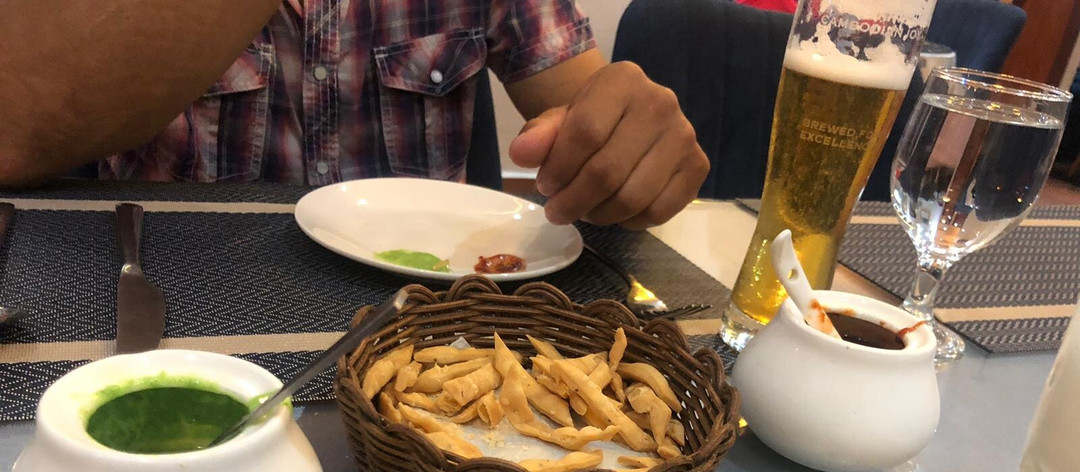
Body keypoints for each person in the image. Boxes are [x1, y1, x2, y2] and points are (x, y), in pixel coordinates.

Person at [0, 1, 709, 230]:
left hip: (421, 335)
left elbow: (587, 117)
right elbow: (16, 135)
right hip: (168, 318)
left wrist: (633, 144)